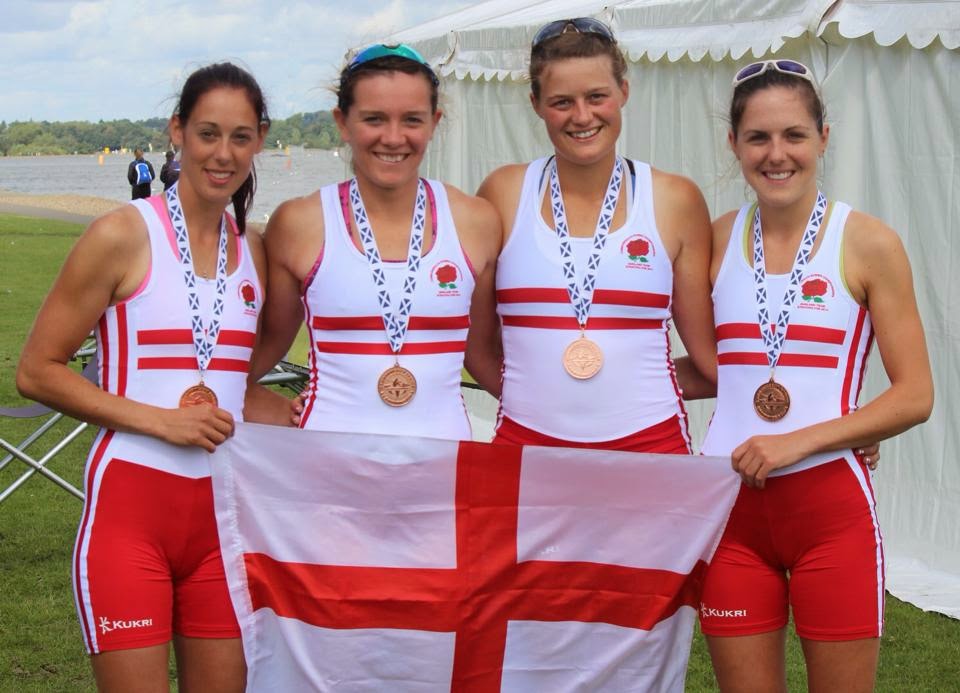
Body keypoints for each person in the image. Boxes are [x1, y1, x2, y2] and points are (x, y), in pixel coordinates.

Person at [16, 62, 269, 691]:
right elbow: (37, 371)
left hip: (225, 527)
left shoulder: (256, 251)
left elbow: (239, 381)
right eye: (207, 133)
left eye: (240, 137)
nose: (223, 153)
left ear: (259, 141)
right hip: (130, 520)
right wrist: (162, 421)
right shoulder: (121, 234)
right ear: (177, 131)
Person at [697, 59, 933, 692]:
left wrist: (800, 440)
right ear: (734, 143)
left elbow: (916, 394)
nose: (777, 154)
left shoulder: (869, 243)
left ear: (823, 138)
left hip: (831, 514)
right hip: (729, 513)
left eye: (794, 135)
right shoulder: (713, 240)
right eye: (758, 137)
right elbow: (716, 369)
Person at [471, 18, 717, 452]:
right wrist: (535, 403)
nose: (582, 116)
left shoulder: (675, 200)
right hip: (526, 444)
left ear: (624, 91)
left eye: (597, 96)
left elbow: (709, 359)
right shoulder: (504, 193)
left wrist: (825, 421)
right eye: (562, 102)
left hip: (651, 446)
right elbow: (475, 348)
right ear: (536, 104)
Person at [244, 43, 500, 441]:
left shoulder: (476, 221)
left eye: (412, 120)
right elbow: (261, 351)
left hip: (444, 465)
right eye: (374, 119)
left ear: (434, 122)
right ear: (342, 122)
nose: (393, 138)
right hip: (326, 464)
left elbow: (483, 357)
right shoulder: (298, 224)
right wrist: (257, 402)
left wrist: (570, 424)